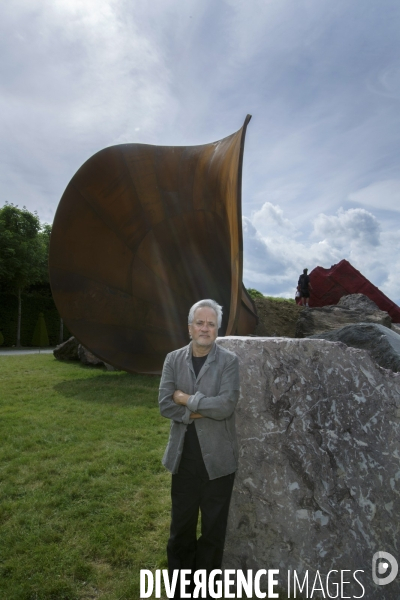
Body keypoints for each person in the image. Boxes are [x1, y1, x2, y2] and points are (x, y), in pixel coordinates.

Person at [158, 298, 240, 598]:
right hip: (184, 461)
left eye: (211, 324)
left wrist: (187, 399)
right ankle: (181, 589)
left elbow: (227, 406)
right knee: (181, 528)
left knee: (212, 532)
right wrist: (203, 406)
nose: (205, 328)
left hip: (218, 462)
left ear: (217, 329)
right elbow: (165, 404)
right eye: (200, 323)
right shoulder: (172, 359)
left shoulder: (229, 361)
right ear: (190, 327)